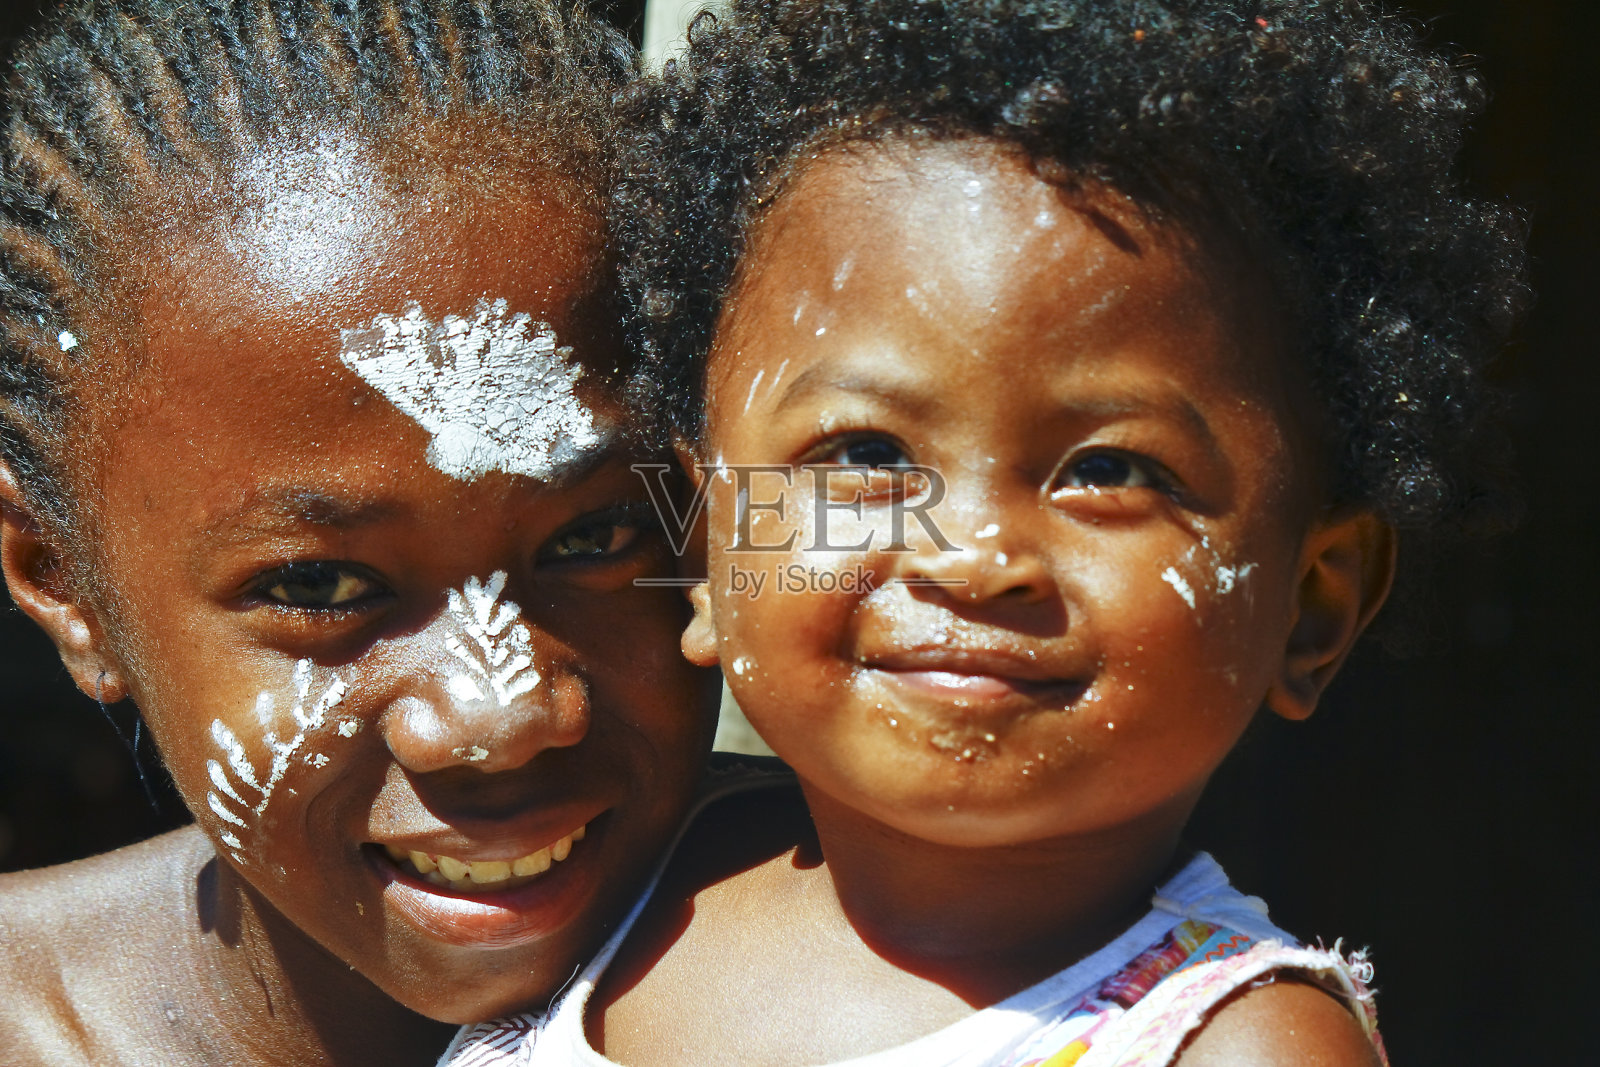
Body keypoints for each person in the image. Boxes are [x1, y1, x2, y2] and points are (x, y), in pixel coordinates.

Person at [444, 0, 1527, 1063]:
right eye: (865, 456)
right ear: (704, 550)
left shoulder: (1234, 1045)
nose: (971, 557)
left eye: (1109, 469)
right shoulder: (600, 889)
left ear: (1313, 602)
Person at [0, 2, 720, 1064]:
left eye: (592, 538)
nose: (500, 713)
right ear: (63, 579)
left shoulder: (946, 975)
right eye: (321, 585)